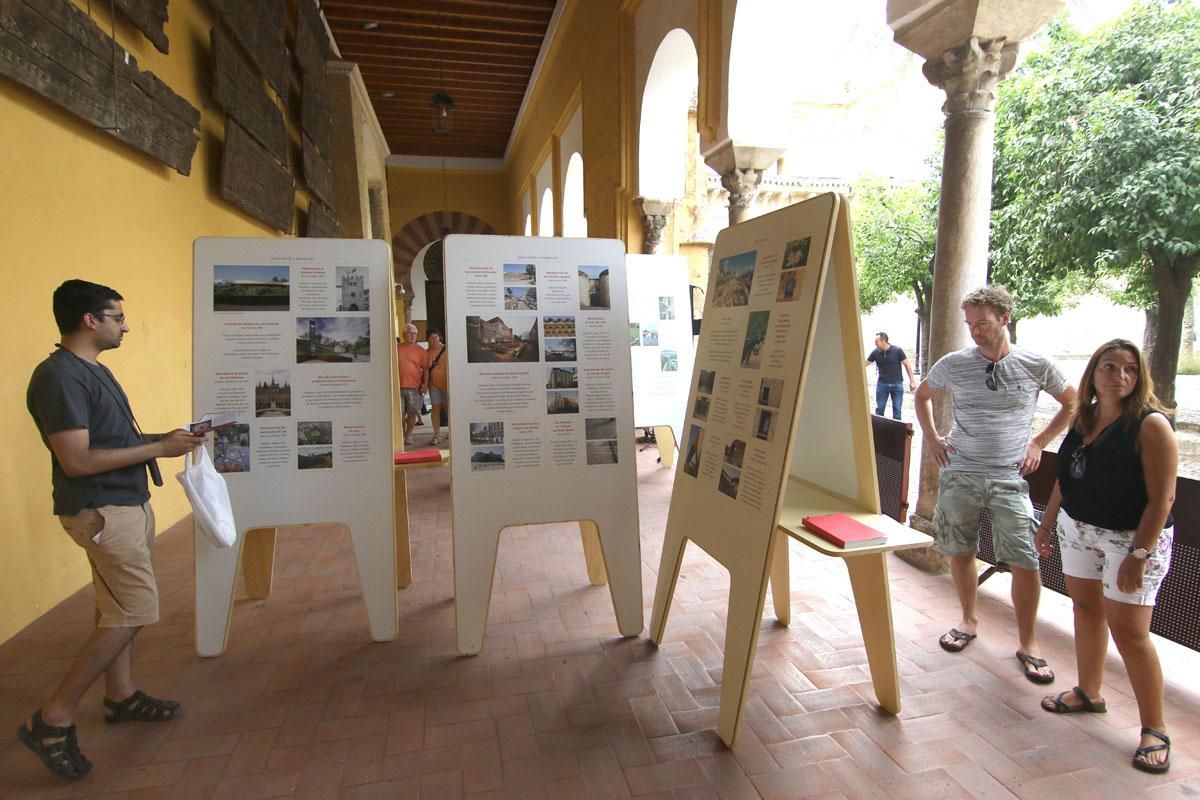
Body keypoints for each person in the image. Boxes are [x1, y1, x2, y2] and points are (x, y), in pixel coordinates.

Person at [20, 280, 205, 780]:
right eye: (117, 317)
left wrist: (167, 439)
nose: (124, 326)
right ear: (89, 320)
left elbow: (113, 442)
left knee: (116, 607)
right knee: (131, 611)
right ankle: (54, 717)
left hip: (124, 503)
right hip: (102, 509)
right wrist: (157, 451)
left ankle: (120, 696)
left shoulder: (90, 371)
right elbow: (77, 460)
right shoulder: (59, 377)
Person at [914, 285, 1077, 684]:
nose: (975, 332)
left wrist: (1038, 441)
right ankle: (968, 621)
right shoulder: (955, 363)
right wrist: (934, 437)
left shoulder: (1036, 364)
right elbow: (922, 396)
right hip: (961, 471)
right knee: (960, 549)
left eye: (982, 323)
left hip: (1009, 476)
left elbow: (1071, 403)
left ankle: (1029, 643)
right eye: (970, 324)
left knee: (1025, 559)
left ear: (1005, 319)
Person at [1035, 339, 1176, 774]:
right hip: (1078, 529)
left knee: (1130, 632)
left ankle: (1155, 728)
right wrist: (1047, 522)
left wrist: (1139, 553)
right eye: (1109, 367)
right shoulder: (1085, 416)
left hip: (1131, 539)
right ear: (1093, 372)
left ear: (1140, 377)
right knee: (1085, 609)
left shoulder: (1151, 426)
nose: (1119, 376)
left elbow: (1163, 498)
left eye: (1129, 369)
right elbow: (1065, 477)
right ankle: (1088, 692)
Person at [866, 332, 916, 419]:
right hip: (882, 384)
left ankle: (896, 432)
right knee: (880, 410)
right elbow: (865, 363)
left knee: (897, 411)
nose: (875, 344)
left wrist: (912, 381)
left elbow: (907, 364)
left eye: (877, 341)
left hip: (897, 384)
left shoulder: (897, 351)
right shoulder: (875, 352)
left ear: (883, 341)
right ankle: (878, 431)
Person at [396, 323, 428, 446]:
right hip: (398, 388)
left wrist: (425, 385)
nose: (412, 335)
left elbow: (425, 369)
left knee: (411, 414)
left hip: (414, 388)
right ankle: (401, 434)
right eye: (410, 333)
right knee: (399, 414)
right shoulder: (396, 348)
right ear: (404, 334)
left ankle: (408, 436)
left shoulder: (421, 350)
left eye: (415, 333)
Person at [425, 329, 448, 446]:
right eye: (431, 337)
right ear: (428, 339)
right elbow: (425, 370)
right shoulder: (426, 352)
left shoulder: (447, 349)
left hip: (448, 385)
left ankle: (452, 432)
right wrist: (424, 384)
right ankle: (437, 435)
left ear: (440, 337)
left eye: (436, 337)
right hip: (434, 385)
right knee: (435, 409)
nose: (434, 339)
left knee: (449, 409)